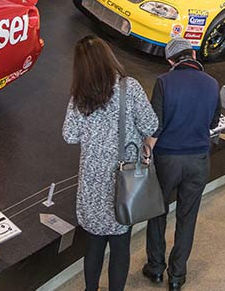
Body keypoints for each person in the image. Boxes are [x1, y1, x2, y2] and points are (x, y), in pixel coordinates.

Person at [63, 36, 159, 291]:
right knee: (120, 245)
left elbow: (69, 135)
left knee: (94, 244)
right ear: (108, 57)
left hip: (92, 183)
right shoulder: (131, 87)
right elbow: (151, 125)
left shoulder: (80, 95)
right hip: (125, 179)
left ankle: (90, 289)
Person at [142, 39, 221, 291]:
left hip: (166, 159)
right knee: (188, 217)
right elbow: (213, 122)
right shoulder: (212, 84)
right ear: (194, 54)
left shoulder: (164, 82)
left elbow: (156, 126)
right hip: (198, 160)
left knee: (158, 212)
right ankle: (177, 276)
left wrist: (146, 153)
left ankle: (155, 268)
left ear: (170, 61)